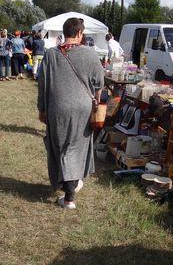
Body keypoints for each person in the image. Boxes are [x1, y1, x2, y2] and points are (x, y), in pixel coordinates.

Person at [37, 17, 104, 209]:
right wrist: (97, 102)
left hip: (56, 107)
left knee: (60, 147)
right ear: (80, 33)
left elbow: (42, 84)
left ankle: (69, 191)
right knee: (74, 147)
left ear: (64, 32)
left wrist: (41, 108)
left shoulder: (51, 54)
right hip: (82, 108)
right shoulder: (91, 54)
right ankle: (70, 193)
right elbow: (99, 83)